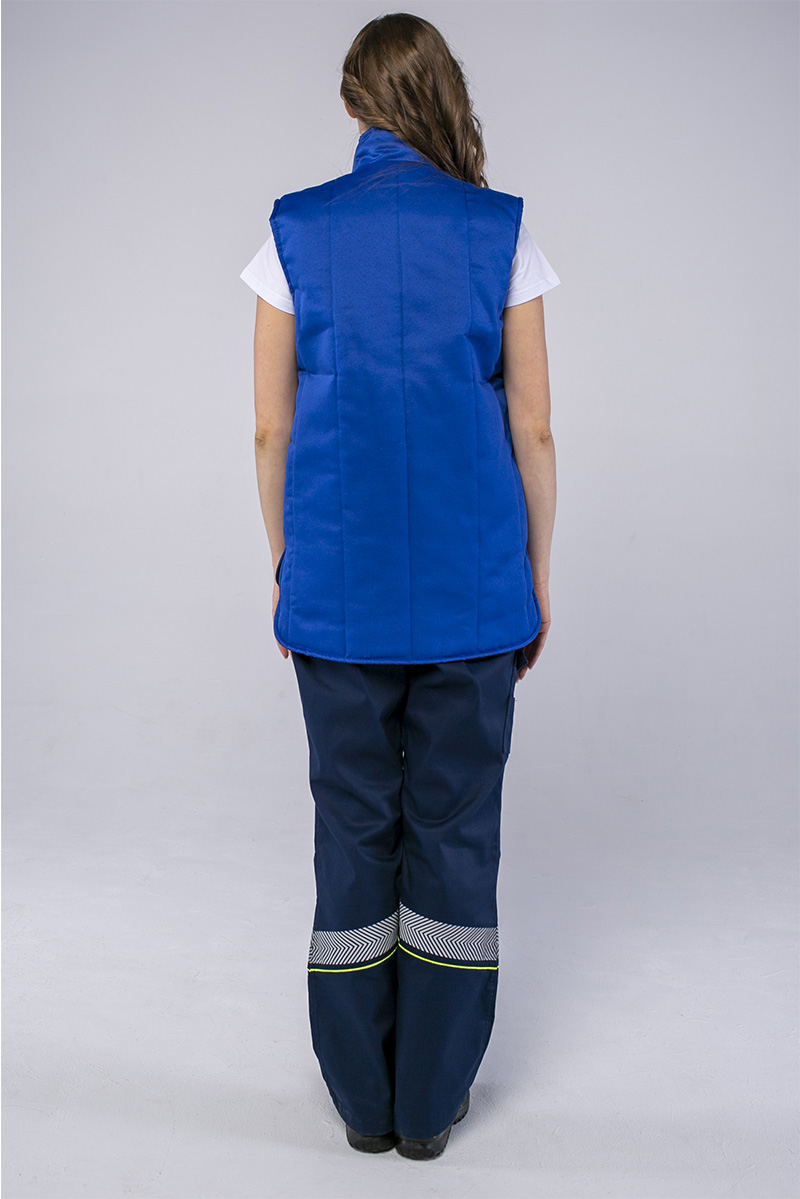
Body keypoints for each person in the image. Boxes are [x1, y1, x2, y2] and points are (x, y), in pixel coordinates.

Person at [240, 11, 558, 1162]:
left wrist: (290, 566)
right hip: (476, 598)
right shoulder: (500, 231)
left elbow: (270, 429)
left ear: (350, 104)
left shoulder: (290, 232)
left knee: (352, 831)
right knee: (454, 837)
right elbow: (532, 427)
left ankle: (359, 1102)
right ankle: (428, 1104)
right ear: (440, 96)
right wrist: (530, 580)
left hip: (336, 597)